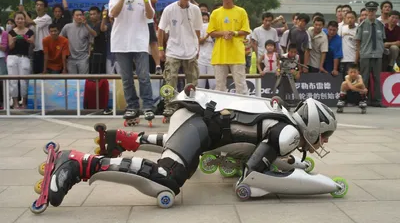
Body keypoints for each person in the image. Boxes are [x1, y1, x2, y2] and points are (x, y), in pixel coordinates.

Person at [43, 91, 337, 209]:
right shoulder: (288, 133)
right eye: (323, 136)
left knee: (181, 151)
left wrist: (293, 168)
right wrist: (320, 185)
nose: (322, 142)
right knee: (167, 178)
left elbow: (265, 158)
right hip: (198, 128)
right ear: (313, 127)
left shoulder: (284, 122)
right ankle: (79, 163)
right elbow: (252, 176)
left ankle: (121, 139)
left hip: (197, 124)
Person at [108, 0, 155, 121]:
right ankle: (132, 107)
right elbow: (113, 13)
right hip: (121, 42)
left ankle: (148, 106)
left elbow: (150, 16)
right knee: (126, 77)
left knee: (144, 76)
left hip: (140, 41)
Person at [157, 0, 202, 116]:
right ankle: (170, 105)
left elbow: (198, 30)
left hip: (191, 50)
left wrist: (197, 47)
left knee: (192, 79)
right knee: (170, 78)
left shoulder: (195, 9)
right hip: (173, 49)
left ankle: (191, 104)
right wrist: (160, 48)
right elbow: (160, 29)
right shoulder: (169, 9)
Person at [207, 0, 251, 95]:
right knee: (220, 86)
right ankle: (220, 110)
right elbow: (211, 32)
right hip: (220, 55)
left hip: (237, 54)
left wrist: (234, 33)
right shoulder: (215, 13)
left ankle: (243, 110)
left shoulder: (241, 11)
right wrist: (223, 33)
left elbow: (246, 30)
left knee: (241, 85)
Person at [355, 1, 386, 107]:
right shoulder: (362, 25)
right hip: (365, 55)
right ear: (366, 11)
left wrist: (381, 51)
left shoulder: (380, 25)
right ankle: (364, 100)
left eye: (373, 10)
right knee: (365, 78)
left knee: (377, 78)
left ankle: (377, 101)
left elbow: (382, 39)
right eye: (369, 10)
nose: (371, 12)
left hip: (377, 55)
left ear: (376, 11)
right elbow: (358, 42)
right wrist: (358, 56)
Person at [7, 12, 34, 109]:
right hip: (12, 57)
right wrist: (13, 40)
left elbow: (33, 44)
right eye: (18, 19)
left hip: (24, 57)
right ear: (15, 20)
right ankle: (15, 103)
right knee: (13, 80)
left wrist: (28, 40)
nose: (20, 20)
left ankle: (24, 103)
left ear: (25, 20)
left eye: (22, 18)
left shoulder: (30, 31)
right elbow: (10, 47)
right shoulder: (11, 32)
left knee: (24, 81)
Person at [20, 0, 52, 74]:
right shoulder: (37, 19)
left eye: (41, 5)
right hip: (36, 50)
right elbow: (30, 32)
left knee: (44, 73)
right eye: (37, 5)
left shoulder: (47, 18)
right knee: (36, 73)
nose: (38, 7)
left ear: (45, 8)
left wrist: (23, 11)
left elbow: (28, 21)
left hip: (45, 50)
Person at [60, 9, 97, 74]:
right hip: (71, 58)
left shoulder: (87, 27)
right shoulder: (67, 27)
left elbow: (93, 39)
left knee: (84, 79)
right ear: (73, 17)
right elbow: (60, 39)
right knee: (72, 81)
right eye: (77, 15)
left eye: (81, 15)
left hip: (83, 58)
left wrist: (89, 54)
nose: (79, 17)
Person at [198, 12, 216, 90]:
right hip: (201, 58)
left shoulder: (214, 28)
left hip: (212, 58)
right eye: (203, 19)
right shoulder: (198, 28)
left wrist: (212, 35)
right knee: (200, 83)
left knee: (213, 84)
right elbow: (199, 41)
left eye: (206, 19)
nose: (205, 21)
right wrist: (207, 35)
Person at [339, 11, 359, 78]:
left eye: (352, 18)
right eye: (348, 18)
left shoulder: (358, 29)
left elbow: (358, 47)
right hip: (342, 59)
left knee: (351, 80)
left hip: (352, 60)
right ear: (345, 19)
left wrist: (356, 61)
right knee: (343, 80)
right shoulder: (342, 28)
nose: (350, 20)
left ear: (355, 19)